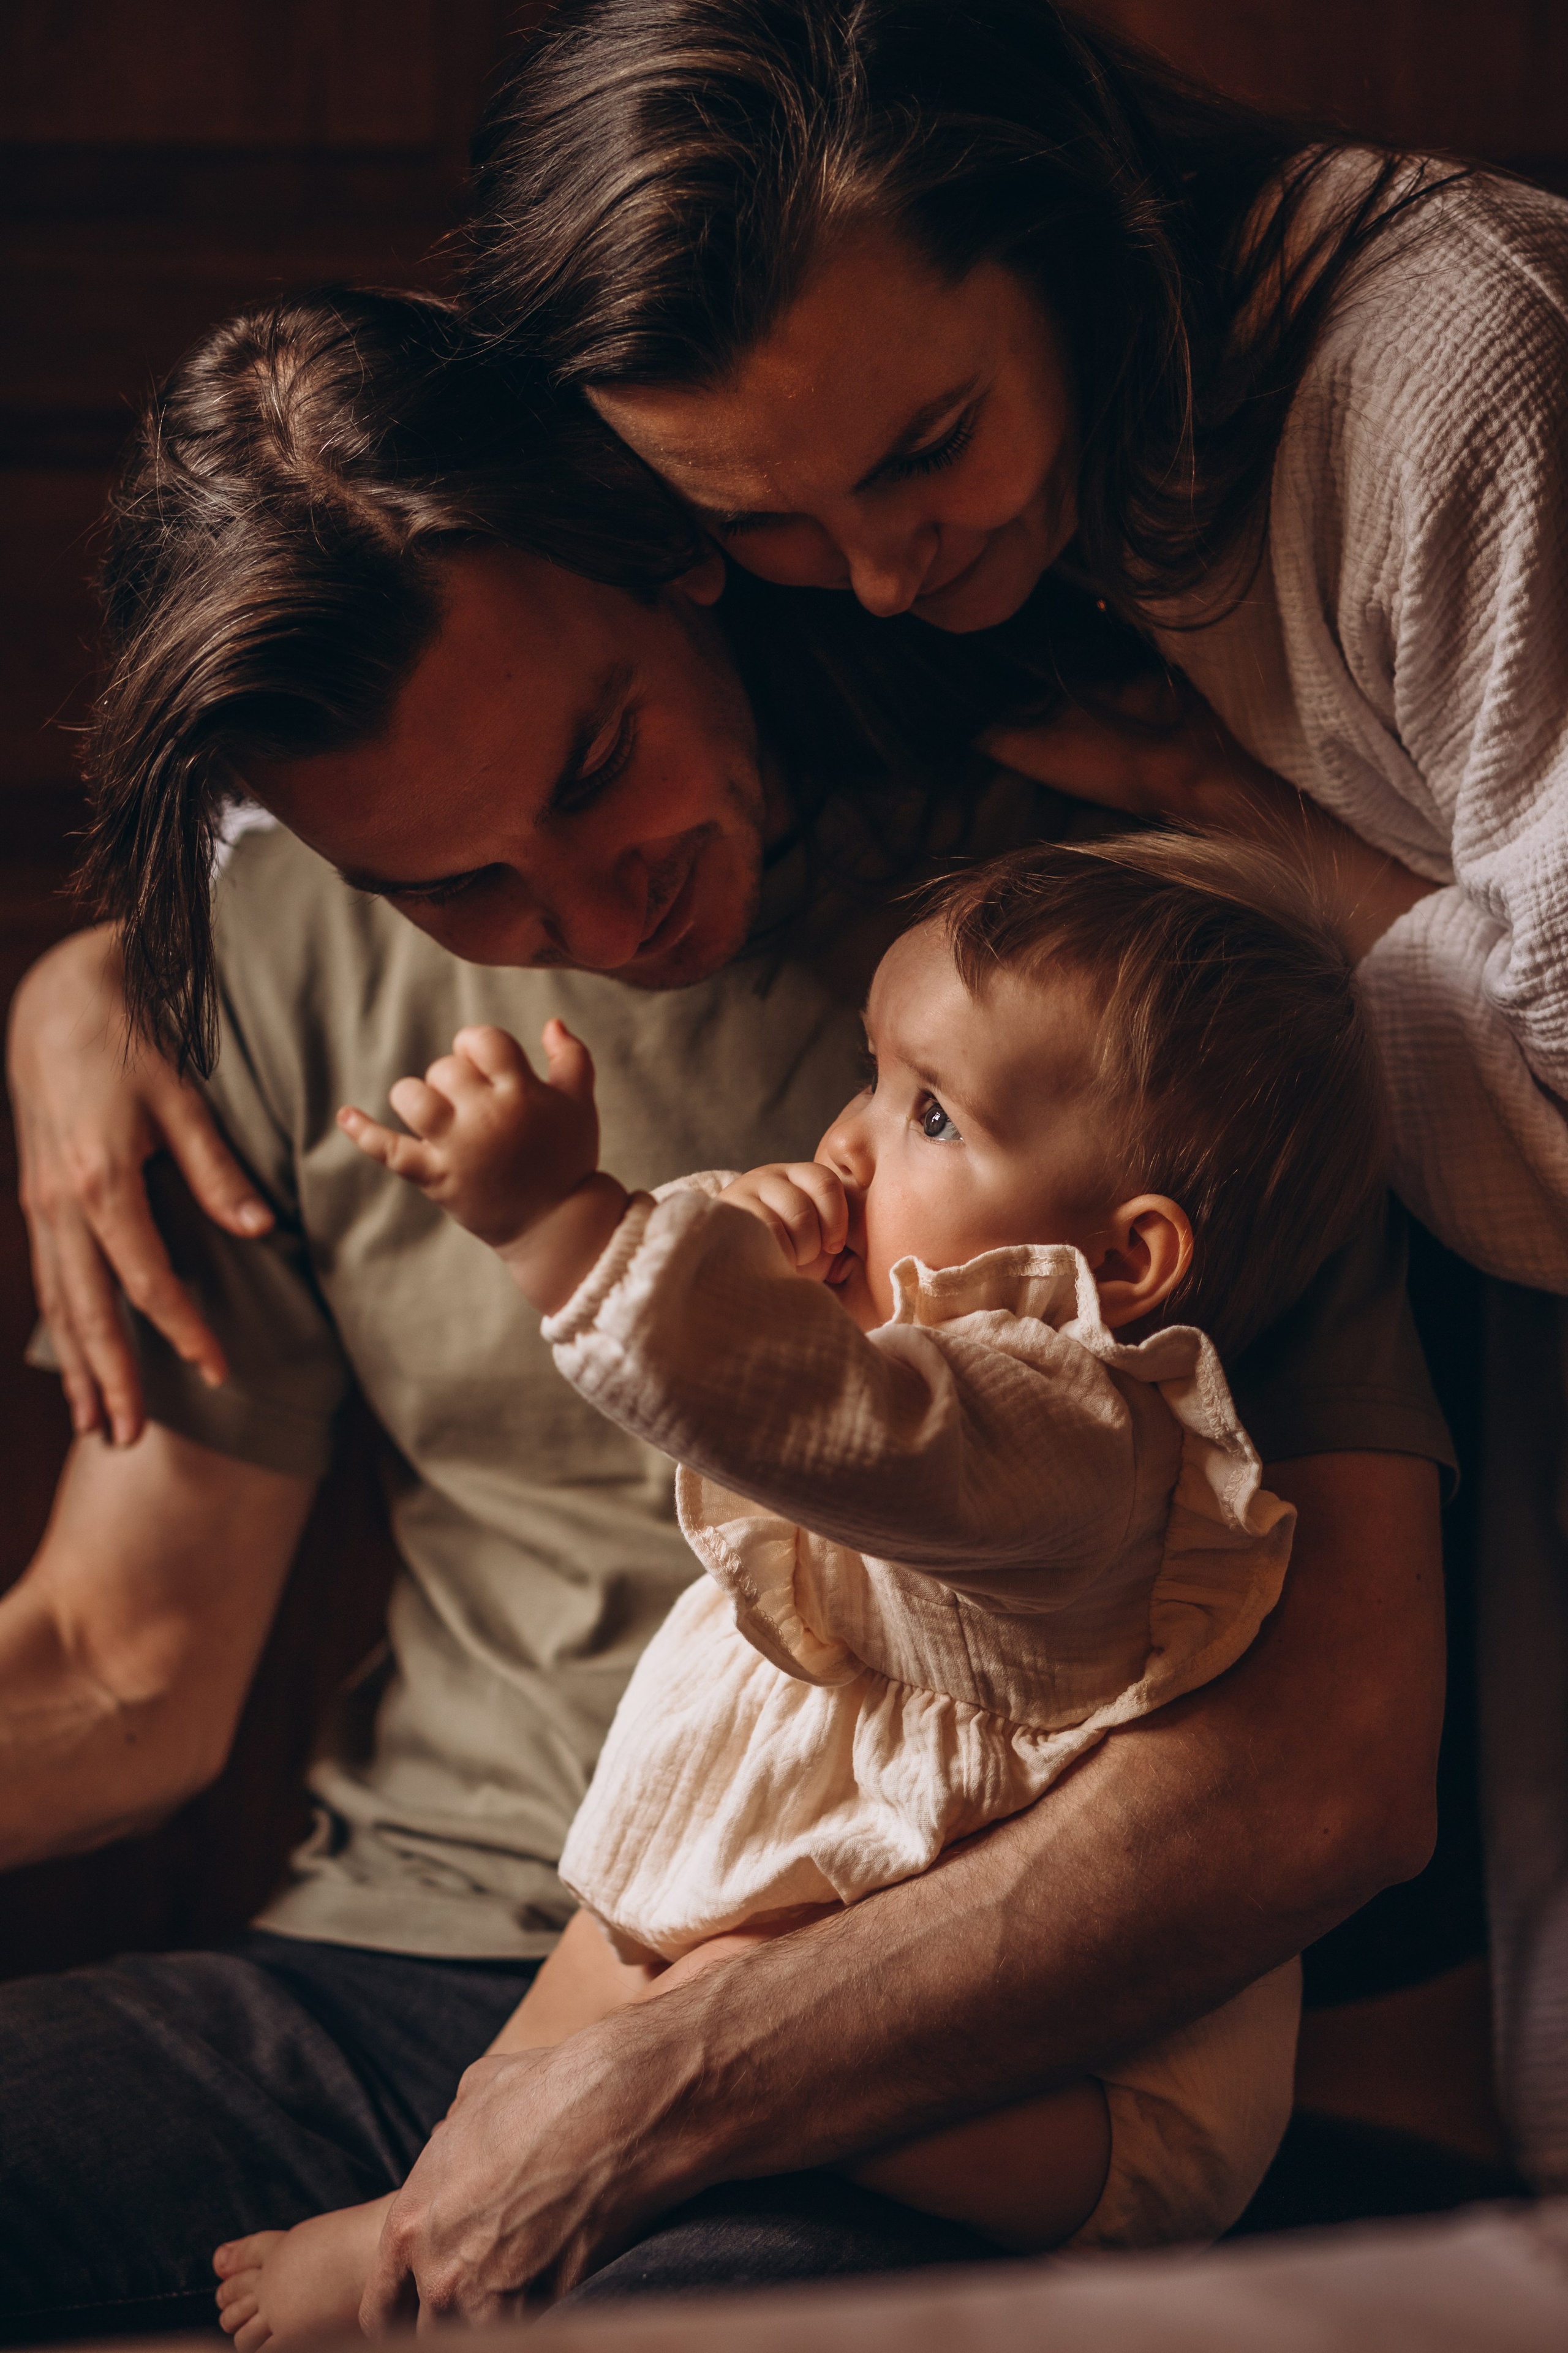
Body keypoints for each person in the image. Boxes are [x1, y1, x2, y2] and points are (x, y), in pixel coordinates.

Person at [0, 285, 1448, 2336]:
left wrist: (676, 2076)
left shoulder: (1093, 986)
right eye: (454, 893)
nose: (589, 925)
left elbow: (1329, 1774)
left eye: (601, 769)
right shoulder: (248, 964)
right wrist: (97, 974)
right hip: (383, 1970)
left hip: (907, 2022)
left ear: (675, 560)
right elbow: (119, 1666)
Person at [212, 830, 1386, 2349]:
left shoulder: (1081, 1430)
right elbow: (767, 1363)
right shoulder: (931, 1358)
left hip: (1084, 2108)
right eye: (868, 1074)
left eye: (929, 1116)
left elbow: (809, 1409)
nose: (847, 1142)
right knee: (604, 1976)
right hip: (805, 1940)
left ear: (1129, 1256)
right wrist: (734, 1234)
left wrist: (561, 1222)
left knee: (701, 1987)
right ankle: (433, 2214)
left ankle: (404, 2250)